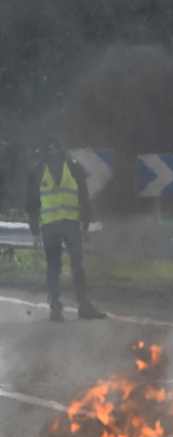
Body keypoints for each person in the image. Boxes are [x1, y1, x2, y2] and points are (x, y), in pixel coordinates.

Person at [26, 138, 106, 322]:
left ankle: (80, 306)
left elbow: (84, 197)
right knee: (57, 267)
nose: (53, 154)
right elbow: (31, 204)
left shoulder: (73, 168)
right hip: (53, 226)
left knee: (74, 266)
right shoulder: (38, 171)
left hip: (68, 224)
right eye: (50, 151)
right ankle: (58, 307)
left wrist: (85, 225)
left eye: (55, 151)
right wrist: (35, 230)